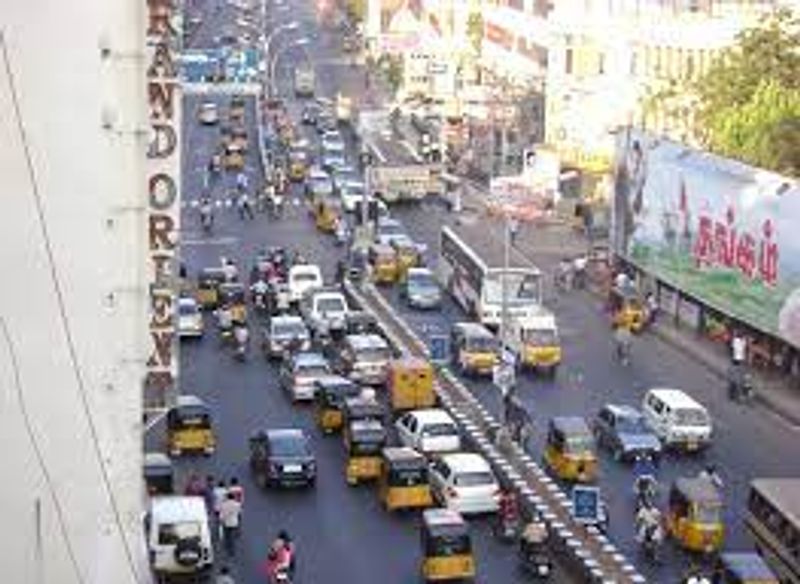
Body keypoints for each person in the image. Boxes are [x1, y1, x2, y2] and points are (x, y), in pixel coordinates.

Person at [218, 492, 242, 556]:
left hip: (226, 523)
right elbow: (239, 513)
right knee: (232, 537)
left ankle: (228, 547)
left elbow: (222, 514)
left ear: (227, 498)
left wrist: (220, 520)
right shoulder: (237, 504)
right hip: (234, 523)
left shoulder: (224, 504)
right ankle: (232, 550)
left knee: (227, 536)